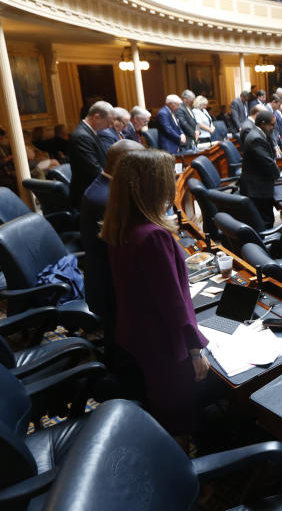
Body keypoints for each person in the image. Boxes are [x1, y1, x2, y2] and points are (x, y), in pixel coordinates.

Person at [101, 149, 212, 440]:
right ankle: (186, 472)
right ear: (153, 186)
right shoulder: (153, 235)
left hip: (138, 334)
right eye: (168, 179)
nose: (173, 184)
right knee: (179, 415)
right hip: (165, 344)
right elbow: (172, 303)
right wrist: (195, 349)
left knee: (159, 402)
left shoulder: (122, 225)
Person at [80, 139, 144, 343]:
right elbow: (127, 246)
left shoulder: (106, 186)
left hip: (107, 280)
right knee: (122, 345)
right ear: (125, 164)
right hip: (110, 288)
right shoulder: (105, 199)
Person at [240, 110, 281, 226]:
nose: (273, 128)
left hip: (257, 182)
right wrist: (278, 174)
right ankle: (268, 243)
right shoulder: (256, 139)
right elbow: (268, 163)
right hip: (257, 188)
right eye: (272, 124)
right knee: (266, 220)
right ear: (263, 124)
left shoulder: (258, 134)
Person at [69, 100, 113, 208]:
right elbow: (94, 170)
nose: (109, 126)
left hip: (95, 187)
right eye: (108, 121)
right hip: (88, 195)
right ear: (96, 117)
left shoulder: (90, 132)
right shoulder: (81, 136)